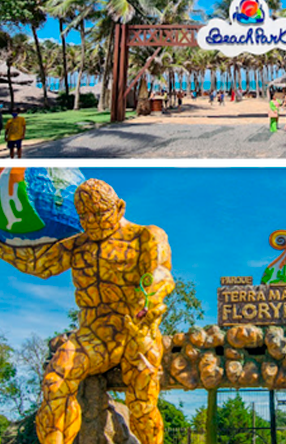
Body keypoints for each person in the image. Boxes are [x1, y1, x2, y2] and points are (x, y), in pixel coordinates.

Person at [0, 179, 175, 444]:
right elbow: (39, 264)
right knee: (55, 379)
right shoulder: (76, 245)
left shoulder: (146, 236)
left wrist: (148, 299)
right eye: (84, 216)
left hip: (137, 332)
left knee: (142, 405)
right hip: (95, 335)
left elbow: (161, 272)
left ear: (119, 207)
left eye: (99, 213)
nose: (91, 221)